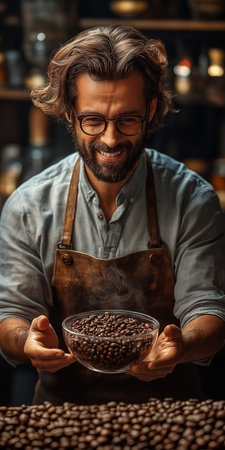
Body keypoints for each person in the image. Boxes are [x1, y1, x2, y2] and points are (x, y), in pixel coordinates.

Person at [0, 25, 225, 405]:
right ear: (69, 113)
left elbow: (208, 309)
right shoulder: (27, 206)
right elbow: (12, 312)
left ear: (151, 109)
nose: (109, 139)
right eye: (93, 120)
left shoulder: (193, 199)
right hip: (62, 413)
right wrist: (28, 340)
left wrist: (181, 345)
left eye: (127, 119)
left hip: (170, 412)